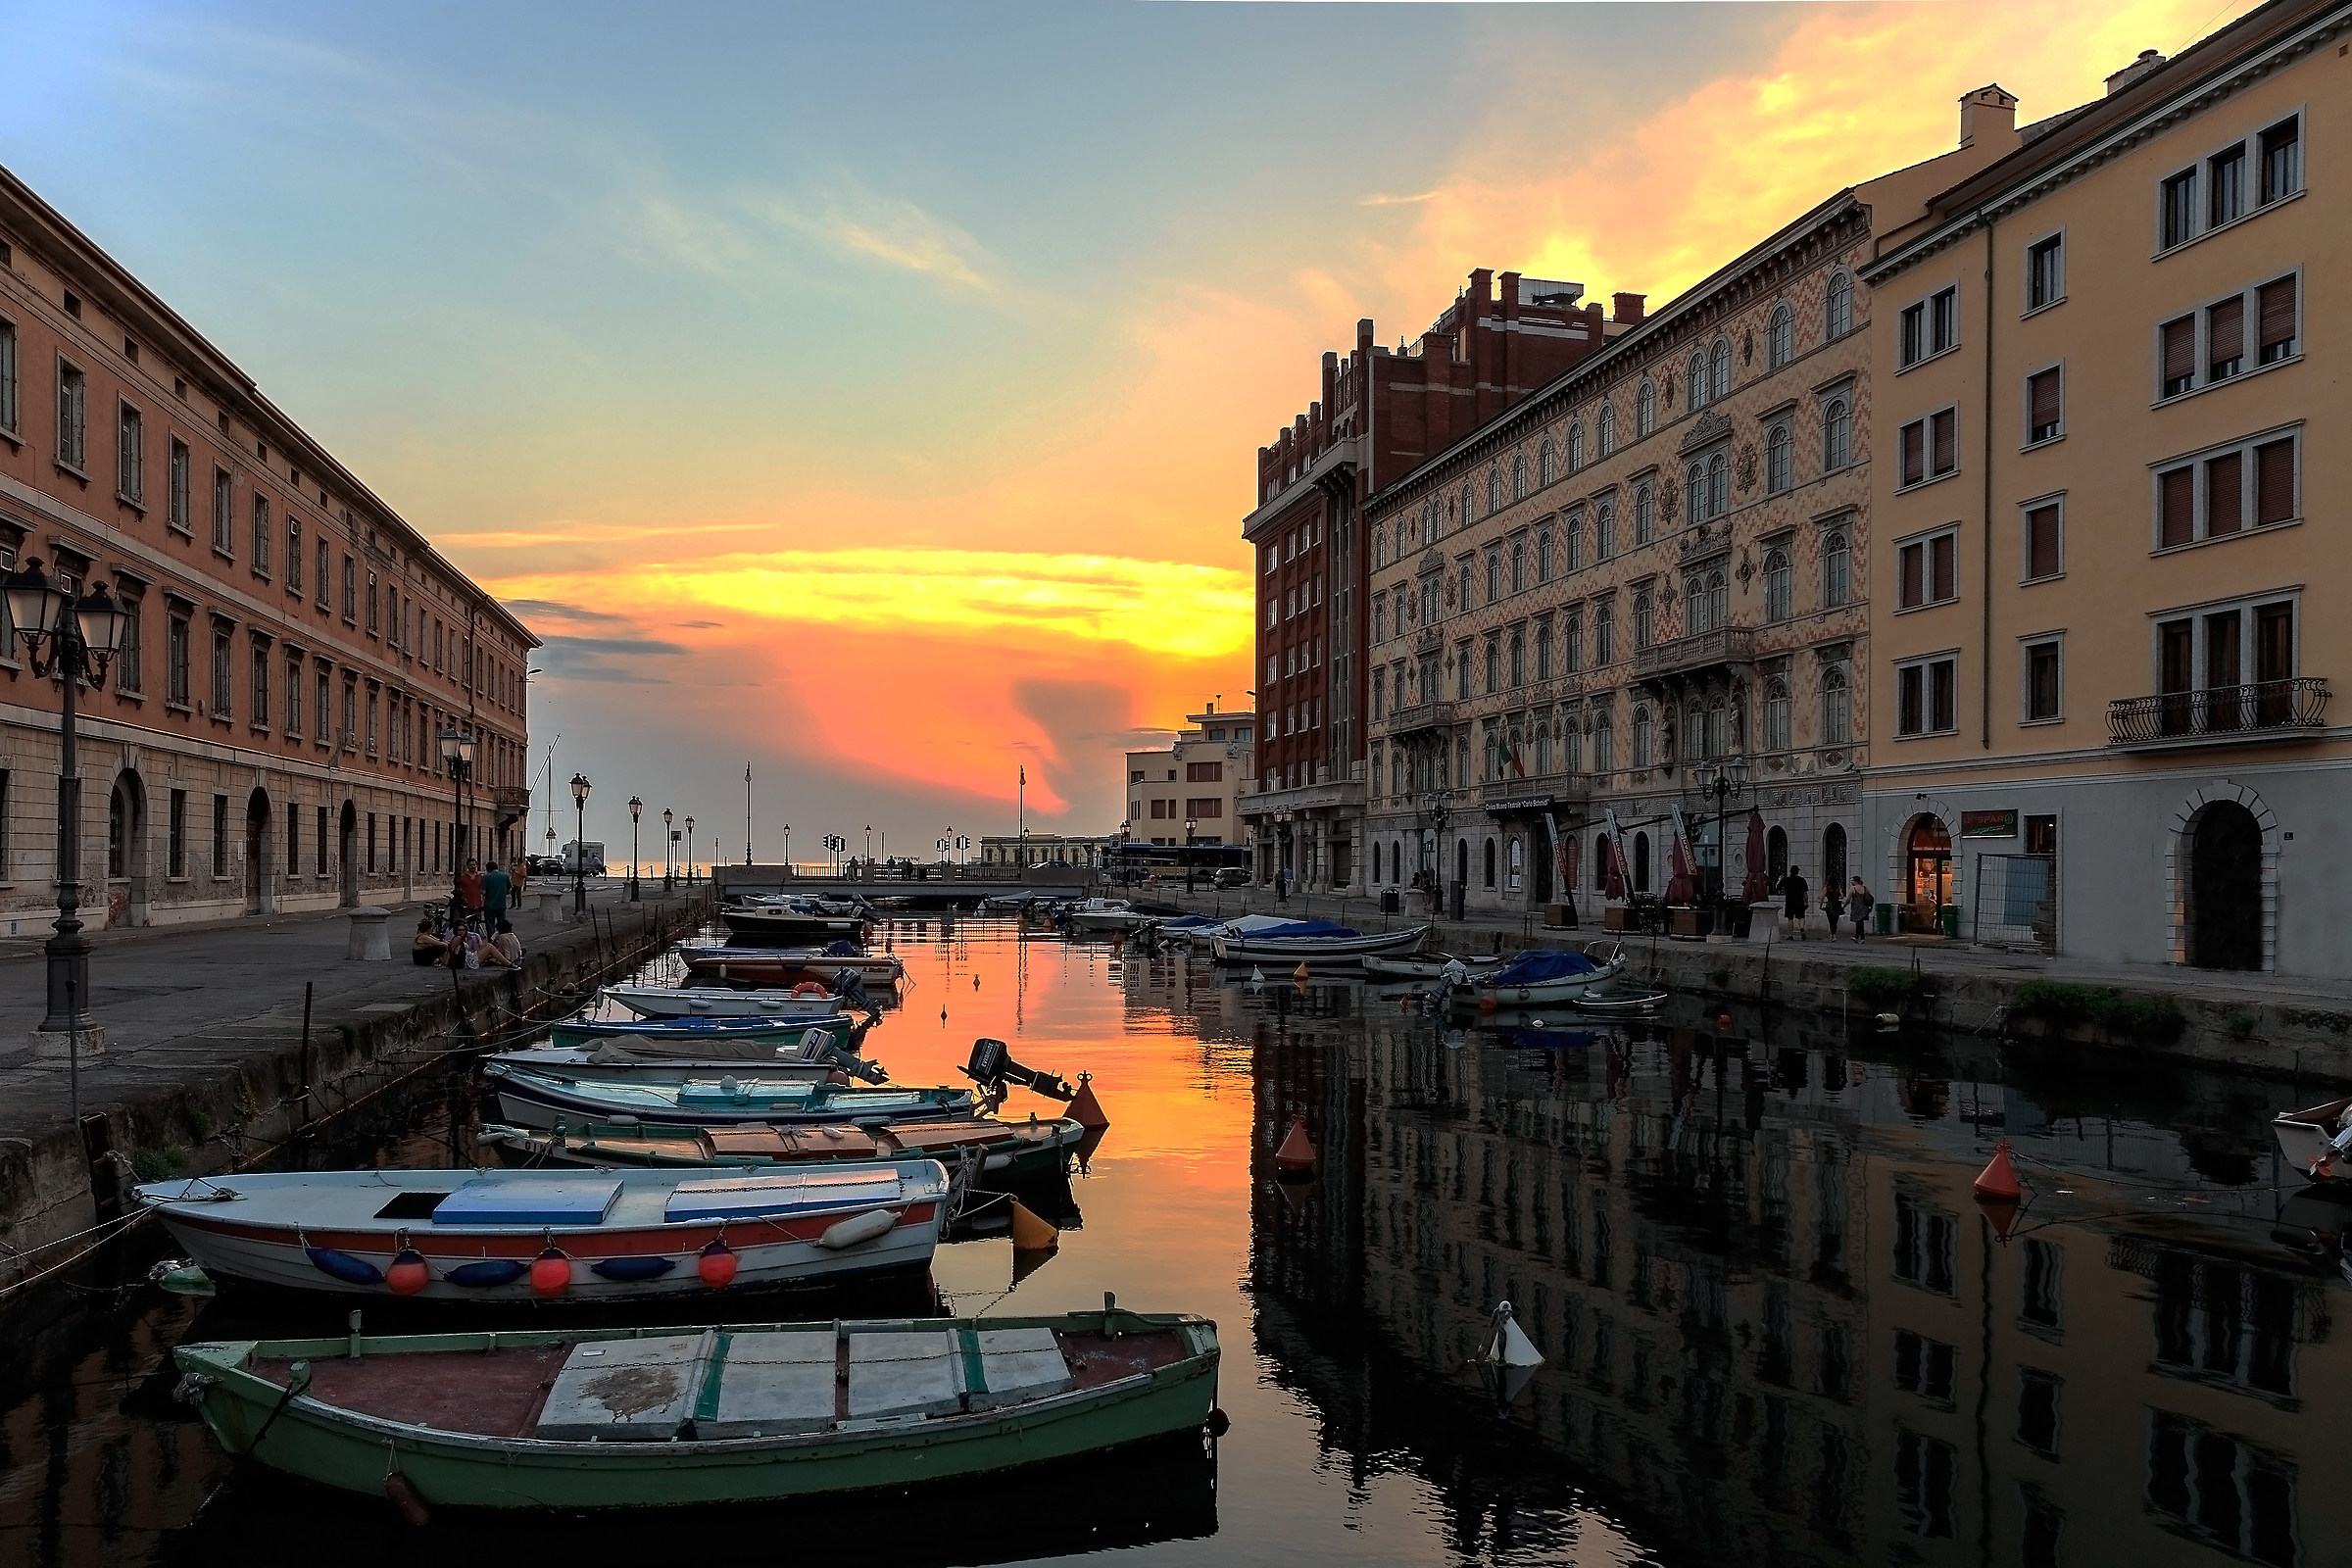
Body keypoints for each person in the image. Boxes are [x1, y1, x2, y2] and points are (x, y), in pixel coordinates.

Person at [456, 858, 485, 931]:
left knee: (477, 923)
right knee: (466, 923)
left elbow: (483, 891)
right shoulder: (463, 877)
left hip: (477, 904)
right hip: (466, 904)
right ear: (467, 866)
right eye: (471, 865)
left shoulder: (480, 877)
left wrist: (483, 903)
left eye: (474, 865)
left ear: (477, 865)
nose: (473, 866)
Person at [1782, 866, 1810, 941]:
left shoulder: (1787, 880)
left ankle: (1790, 935)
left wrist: (1780, 879)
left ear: (1790, 871)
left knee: (1790, 918)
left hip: (1789, 901)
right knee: (1801, 917)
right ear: (1798, 872)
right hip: (1800, 901)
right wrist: (1807, 902)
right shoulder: (1802, 880)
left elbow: (1777, 886)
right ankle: (1801, 928)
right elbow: (1805, 894)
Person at [482, 858, 513, 927]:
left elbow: (484, 892)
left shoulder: (486, 877)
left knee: (490, 924)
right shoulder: (505, 876)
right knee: (502, 925)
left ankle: (491, 937)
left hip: (489, 905)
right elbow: (509, 890)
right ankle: (502, 936)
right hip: (501, 904)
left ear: (488, 869)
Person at [1846, 876, 1875, 942]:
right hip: (1864, 908)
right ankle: (1859, 937)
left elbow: (1848, 899)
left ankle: (1861, 938)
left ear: (1856, 881)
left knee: (1859, 923)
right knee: (1860, 923)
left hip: (1857, 909)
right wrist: (1870, 907)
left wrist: (1844, 906)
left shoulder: (1853, 889)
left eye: (1852, 880)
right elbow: (1870, 898)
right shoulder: (1864, 888)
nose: (1851, 882)